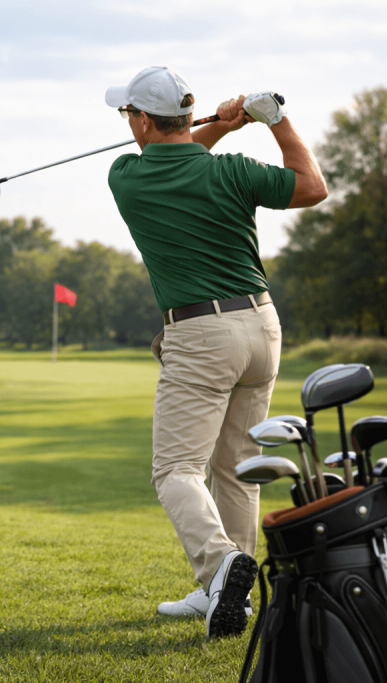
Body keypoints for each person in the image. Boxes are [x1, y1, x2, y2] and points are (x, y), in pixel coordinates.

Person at [104, 67, 327, 638]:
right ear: (186, 114)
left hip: (201, 334)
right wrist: (272, 122)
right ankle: (232, 599)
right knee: (237, 471)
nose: (126, 123)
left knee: (175, 471)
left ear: (145, 121)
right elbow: (311, 187)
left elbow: (177, 158)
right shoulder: (232, 171)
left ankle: (222, 565)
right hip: (262, 326)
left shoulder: (126, 176)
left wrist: (226, 126)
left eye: (128, 114)